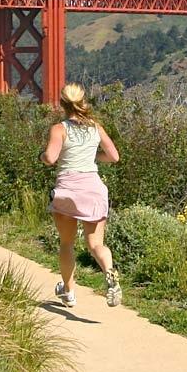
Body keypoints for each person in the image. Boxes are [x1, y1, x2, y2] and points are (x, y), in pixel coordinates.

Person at [40, 83, 123, 308]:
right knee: (96, 244)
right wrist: (93, 158)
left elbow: (50, 157)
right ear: (83, 102)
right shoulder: (96, 127)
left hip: (68, 191)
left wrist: (42, 157)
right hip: (94, 189)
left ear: (62, 104)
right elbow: (114, 157)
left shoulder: (59, 129)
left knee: (67, 243)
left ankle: (69, 292)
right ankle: (109, 272)